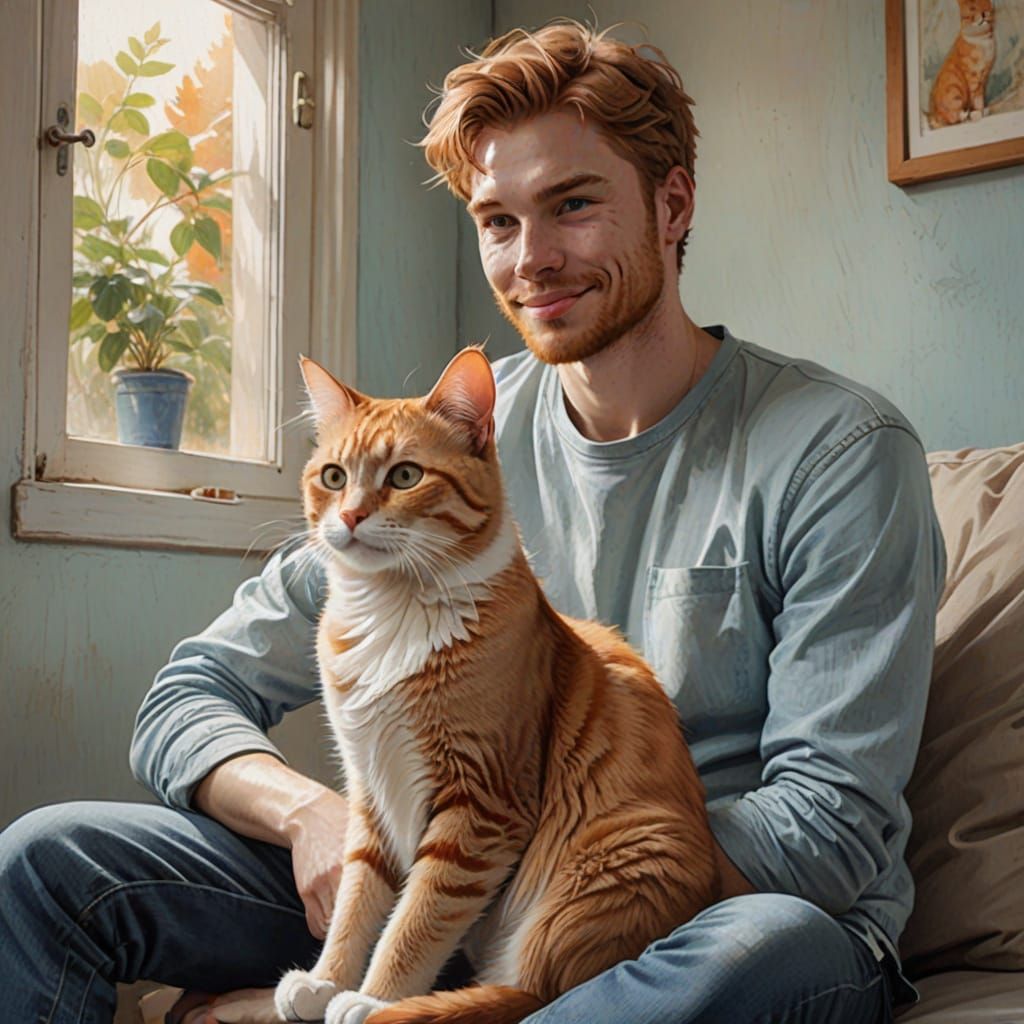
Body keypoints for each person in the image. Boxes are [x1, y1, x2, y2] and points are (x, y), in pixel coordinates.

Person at [0, 20, 945, 1024]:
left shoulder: (839, 450)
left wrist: (542, 873)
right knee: (46, 863)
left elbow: (826, 835)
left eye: (572, 204)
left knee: (764, 948)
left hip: (692, 913)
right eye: (498, 220)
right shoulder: (435, 447)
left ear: (672, 205)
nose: (532, 258)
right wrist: (322, 820)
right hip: (429, 887)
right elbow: (186, 698)